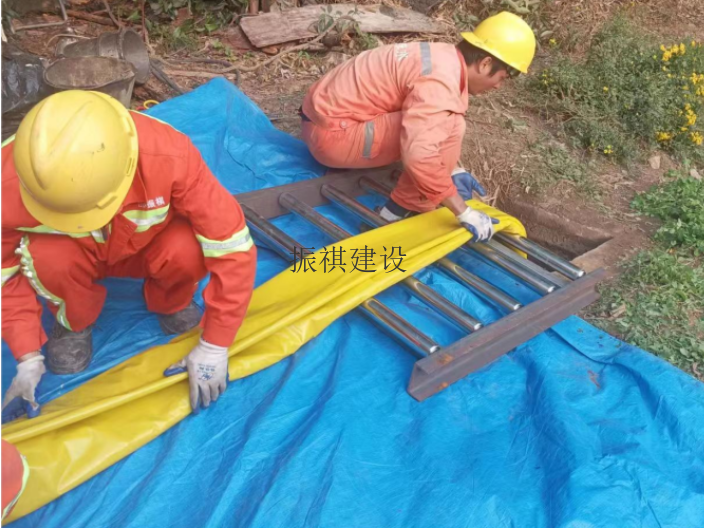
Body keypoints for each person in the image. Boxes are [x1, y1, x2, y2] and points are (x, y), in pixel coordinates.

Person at [1, 90, 256, 417]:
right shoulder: (7, 181)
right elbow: (4, 276)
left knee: (189, 248)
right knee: (47, 258)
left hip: (146, 245)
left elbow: (231, 244)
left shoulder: (168, 155)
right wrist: (26, 355)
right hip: (74, 254)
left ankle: (172, 300)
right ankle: (73, 321)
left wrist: (215, 344)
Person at [300, 11, 536, 242]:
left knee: (443, 125)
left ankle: (422, 193)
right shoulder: (441, 83)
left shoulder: (442, 56)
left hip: (323, 121)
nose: (497, 86)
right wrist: (463, 211)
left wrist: (450, 169)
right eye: (502, 78)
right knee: (450, 124)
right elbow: (419, 154)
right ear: (485, 64)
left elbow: (420, 115)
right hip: (334, 137)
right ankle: (398, 211)